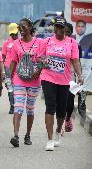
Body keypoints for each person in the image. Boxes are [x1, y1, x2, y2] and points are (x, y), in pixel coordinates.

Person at [38, 17, 83, 151]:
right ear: (55, 28)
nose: (59, 29)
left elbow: (75, 61)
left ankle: (58, 131)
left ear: (65, 29)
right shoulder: (47, 41)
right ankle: (50, 139)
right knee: (50, 106)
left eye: (61, 27)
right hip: (48, 77)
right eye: (57, 27)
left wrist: (79, 75)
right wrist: (43, 61)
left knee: (61, 110)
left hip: (64, 80)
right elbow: (40, 57)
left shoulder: (72, 43)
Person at [9, 18, 43, 148]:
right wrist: (9, 79)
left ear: (30, 27)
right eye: (19, 27)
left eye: (23, 26)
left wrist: (38, 71)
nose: (21, 29)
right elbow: (12, 62)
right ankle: (16, 135)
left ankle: (27, 135)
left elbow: (42, 60)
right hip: (19, 80)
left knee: (30, 110)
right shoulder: (16, 44)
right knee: (18, 107)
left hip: (34, 81)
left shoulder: (39, 42)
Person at [2, 23, 18, 114]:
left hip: (19, 68)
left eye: (15, 33)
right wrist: (3, 70)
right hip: (8, 67)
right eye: (12, 34)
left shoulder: (21, 42)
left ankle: (18, 104)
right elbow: (3, 57)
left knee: (18, 87)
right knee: (10, 87)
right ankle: (12, 105)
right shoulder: (6, 43)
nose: (14, 35)